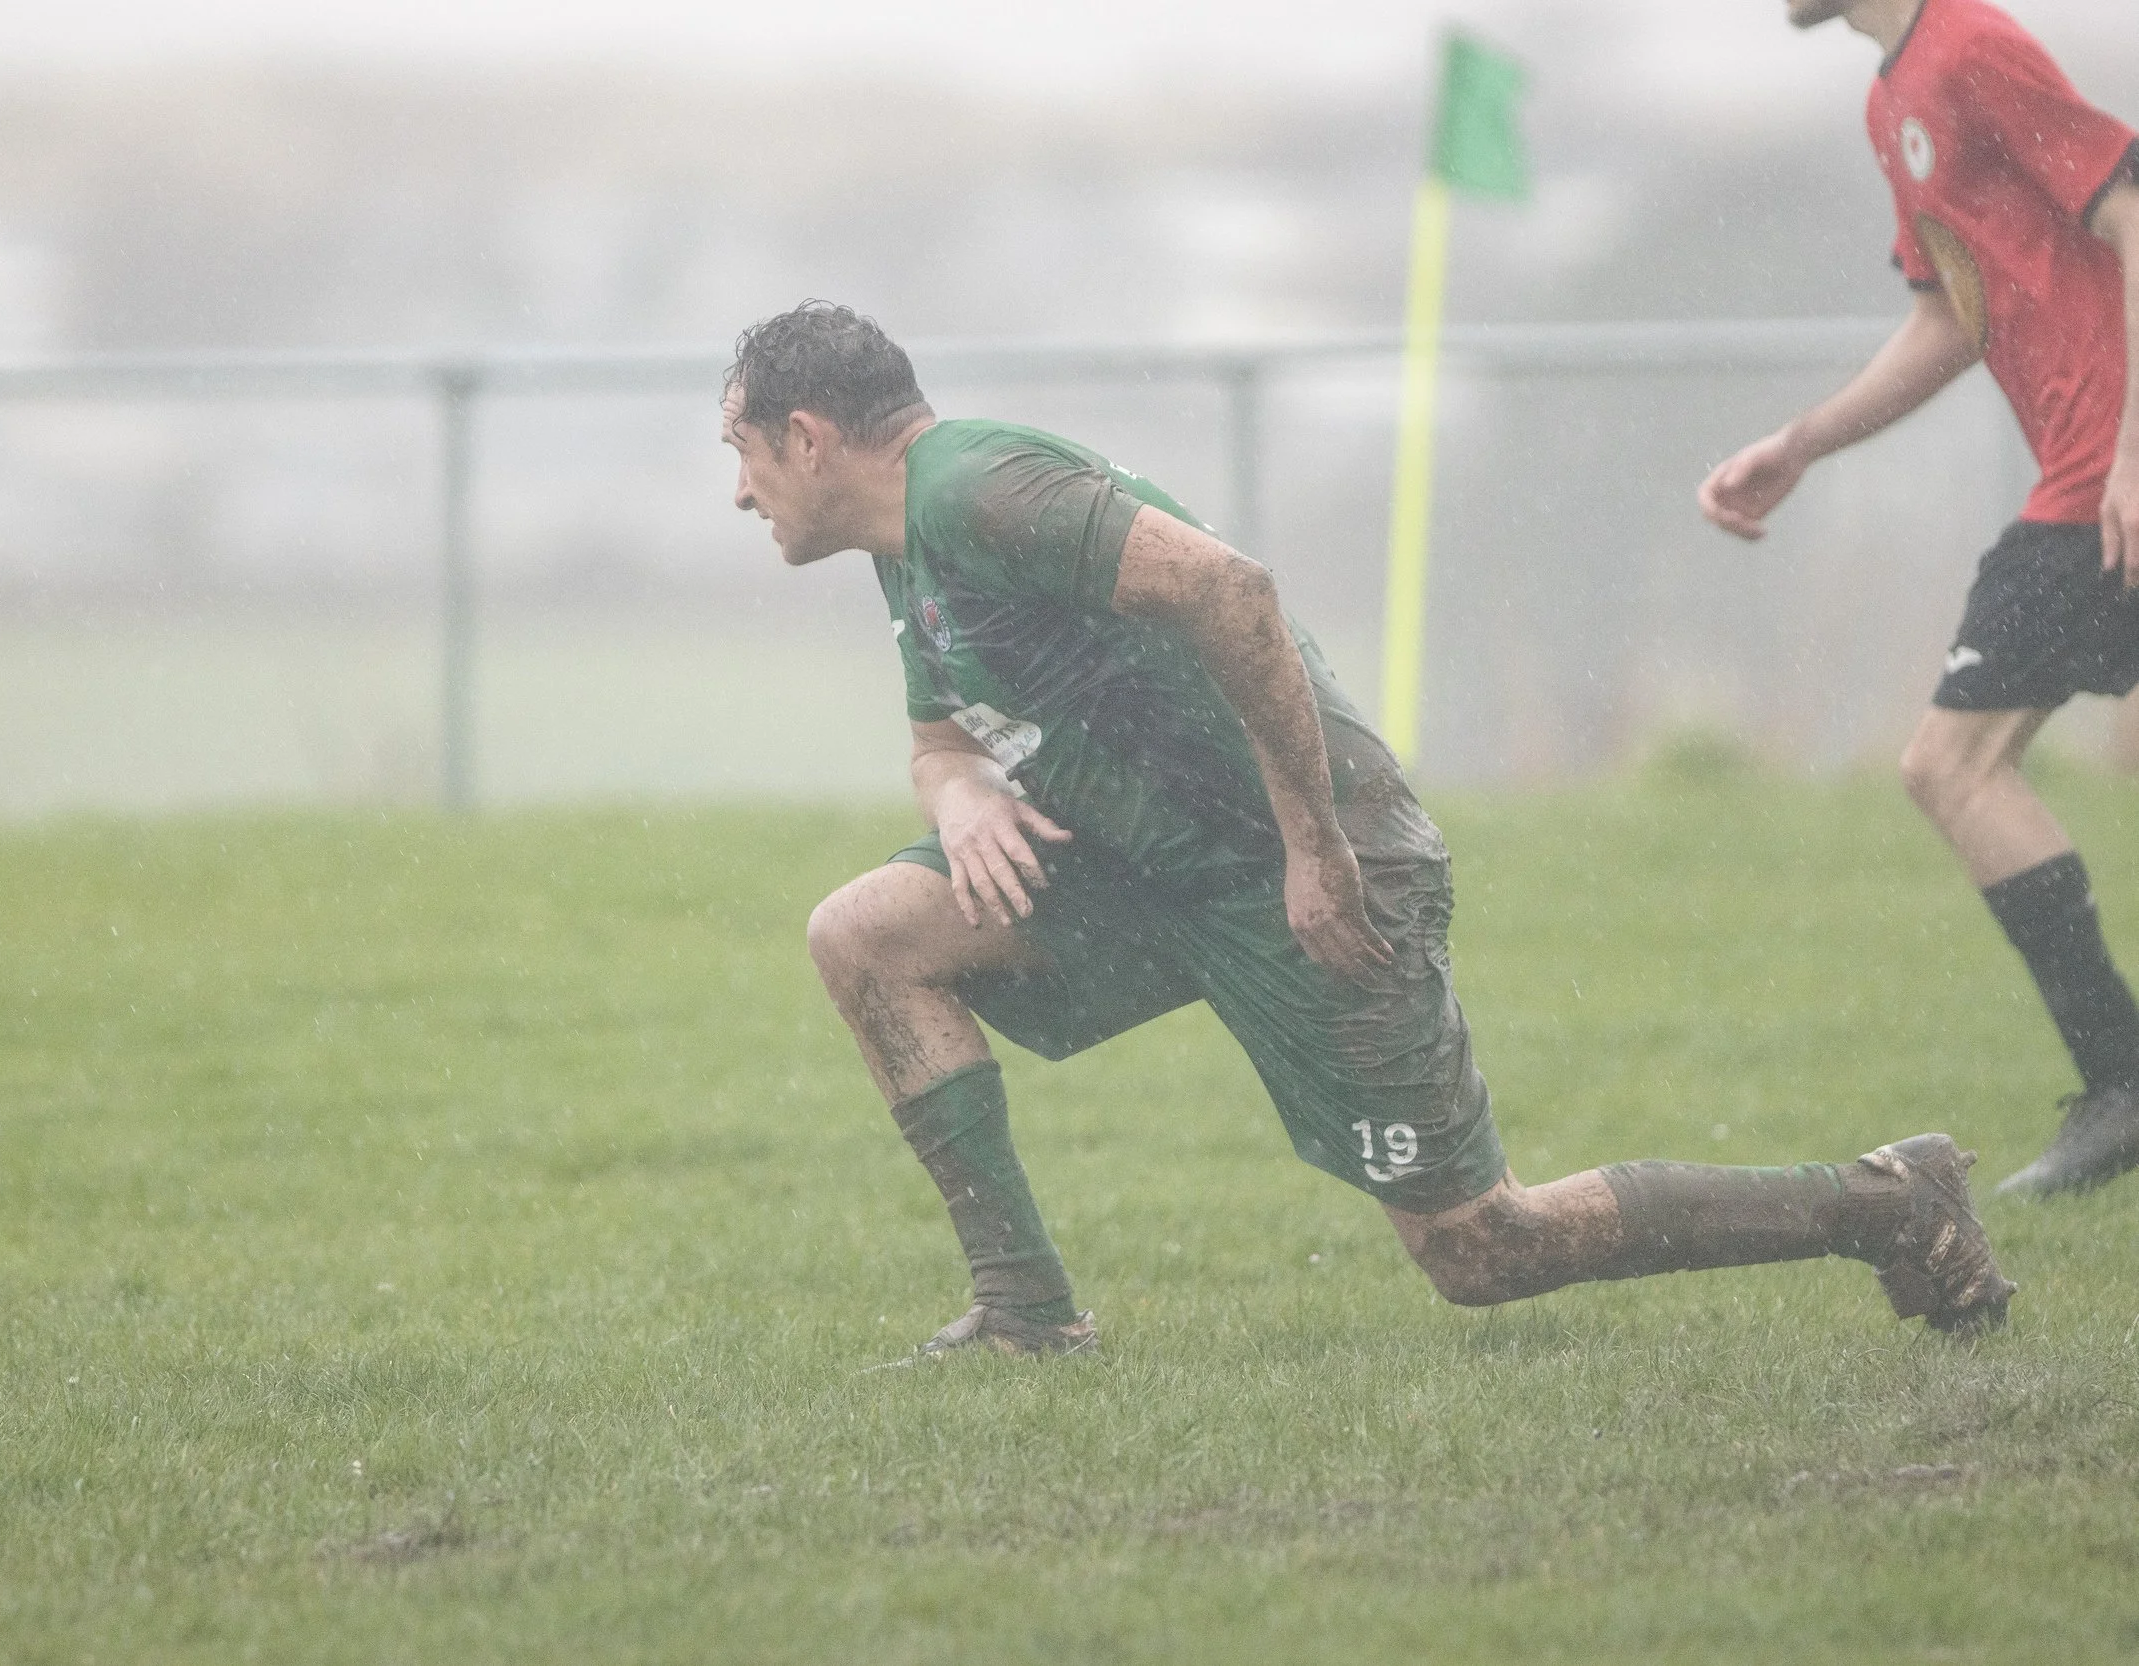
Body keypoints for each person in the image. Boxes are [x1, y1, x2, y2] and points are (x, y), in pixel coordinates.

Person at [722, 300, 2015, 1358]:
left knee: (1480, 1247)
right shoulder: (911, 543)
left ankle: (1891, 1203)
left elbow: (1232, 591)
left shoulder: (981, 490)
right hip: (1141, 868)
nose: (739, 493)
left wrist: (1317, 846)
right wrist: (958, 793)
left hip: (1309, 867)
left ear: (811, 435)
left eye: (742, 453)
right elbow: (939, 735)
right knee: (867, 936)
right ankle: (1026, 1316)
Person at [1702, 0, 2139, 1199]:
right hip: (2089, 478)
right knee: (1953, 767)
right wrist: (1803, 442)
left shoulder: (1971, 48)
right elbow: (1951, 318)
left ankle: (2123, 1080)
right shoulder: (1890, 99)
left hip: (2101, 482)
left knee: (1951, 765)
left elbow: (2133, 206)